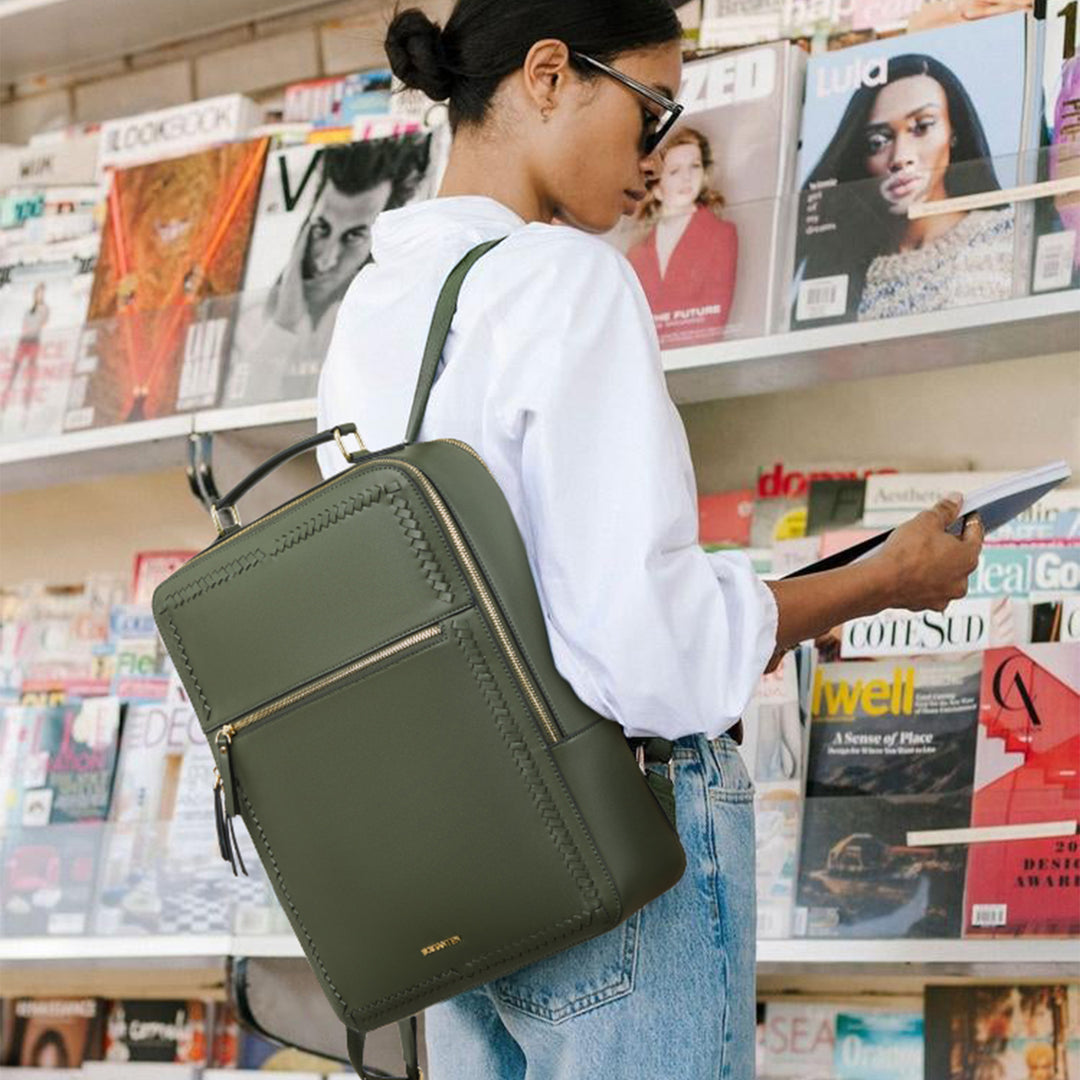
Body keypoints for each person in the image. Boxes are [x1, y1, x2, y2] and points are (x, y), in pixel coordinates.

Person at [315, 2, 984, 1075]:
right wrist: (882, 580)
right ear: (547, 77)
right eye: (650, 110)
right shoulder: (568, 280)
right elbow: (650, 653)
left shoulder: (374, 306)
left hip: (453, 856)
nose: (659, 153)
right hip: (612, 845)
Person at [797, 54, 1014, 322]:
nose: (900, 157)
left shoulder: (1007, 235)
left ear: (953, 132)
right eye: (878, 141)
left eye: (922, 127)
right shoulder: (848, 270)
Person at [229, 135, 432, 403]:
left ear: (379, 238)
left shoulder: (387, 319)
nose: (326, 259)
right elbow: (243, 413)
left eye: (353, 236)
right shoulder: (248, 320)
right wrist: (283, 325)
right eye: (322, 228)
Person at [626, 126, 738, 346]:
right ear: (657, 186)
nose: (686, 178)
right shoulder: (636, 252)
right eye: (675, 171)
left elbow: (714, 320)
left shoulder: (721, 234)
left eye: (694, 167)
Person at [1, 282, 48, 414]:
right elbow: (25, 324)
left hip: (34, 342)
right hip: (24, 341)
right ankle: (4, 401)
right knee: (14, 371)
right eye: (37, 292)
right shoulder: (29, 310)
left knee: (30, 374)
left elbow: (42, 321)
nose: (39, 295)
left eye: (41, 293)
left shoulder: (44, 309)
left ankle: (27, 404)